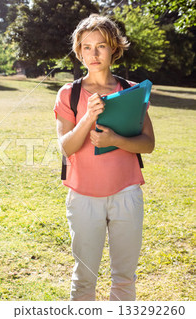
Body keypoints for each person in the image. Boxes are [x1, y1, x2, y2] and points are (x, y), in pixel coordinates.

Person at [53, 14, 155, 301]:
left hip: (126, 193)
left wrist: (115, 140)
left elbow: (147, 144)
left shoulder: (132, 91)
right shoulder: (68, 94)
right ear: (78, 51)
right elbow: (66, 147)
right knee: (84, 278)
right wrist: (87, 117)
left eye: (101, 46)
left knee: (125, 278)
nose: (94, 54)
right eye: (86, 47)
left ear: (114, 48)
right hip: (83, 196)